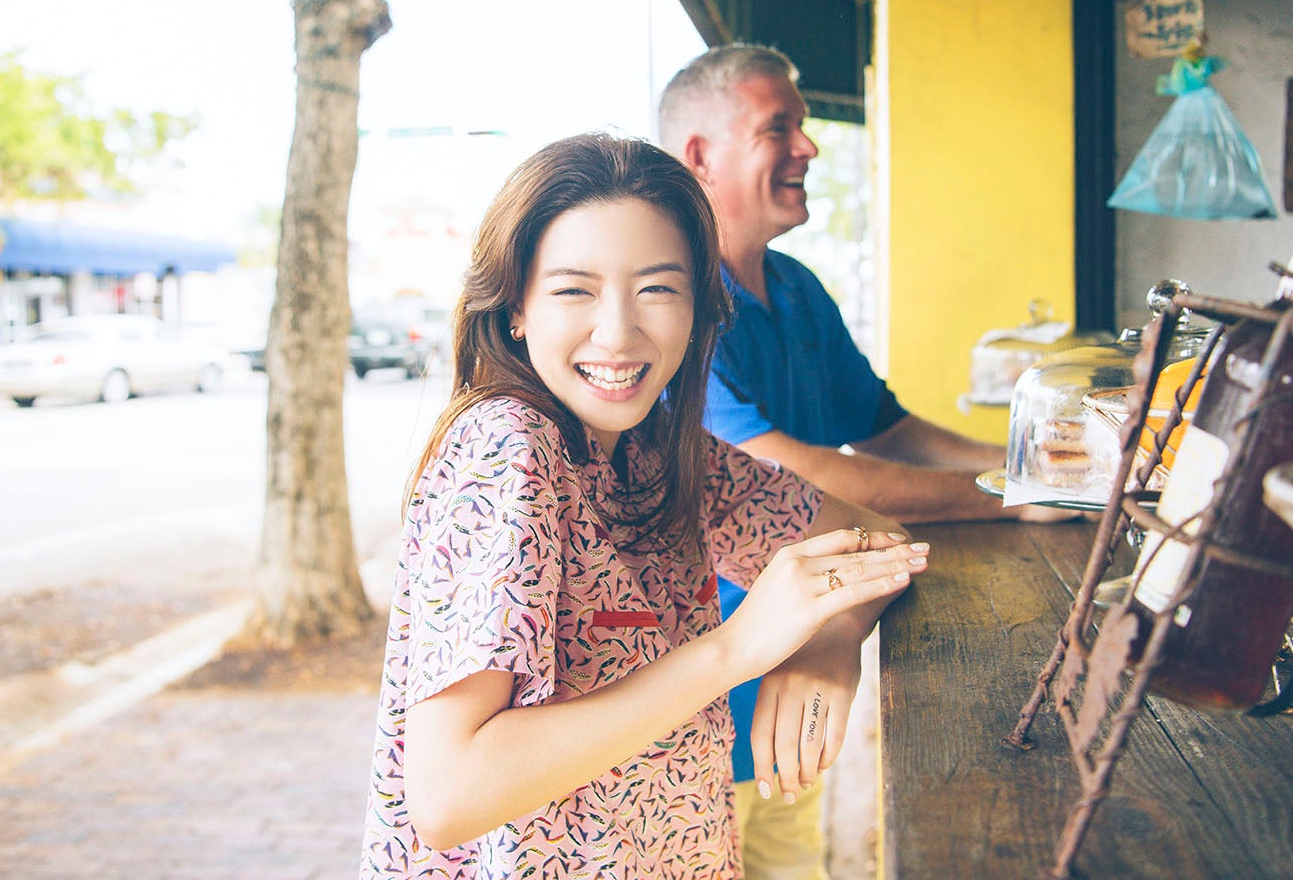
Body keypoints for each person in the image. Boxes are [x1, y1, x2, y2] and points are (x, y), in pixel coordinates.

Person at [359, 133, 930, 879]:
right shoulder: (507, 449)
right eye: (574, 289)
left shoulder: (656, 448)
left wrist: (824, 643)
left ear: (697, 307)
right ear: (516, 308)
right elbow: (448, 791)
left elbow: (877, 541)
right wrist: (737, 649)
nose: (618, 332)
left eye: (658, 288)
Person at [658, 44, 1066, 880]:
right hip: (696, 700)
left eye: (803, 127)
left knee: (787, 859)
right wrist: (1015, 494)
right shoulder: (674, 309)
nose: (808, 147)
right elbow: (802, 477)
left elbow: (883, 429)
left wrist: (1037, 464)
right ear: (699, 155)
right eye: (781, 128)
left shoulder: (795, 287)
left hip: (804, 665)